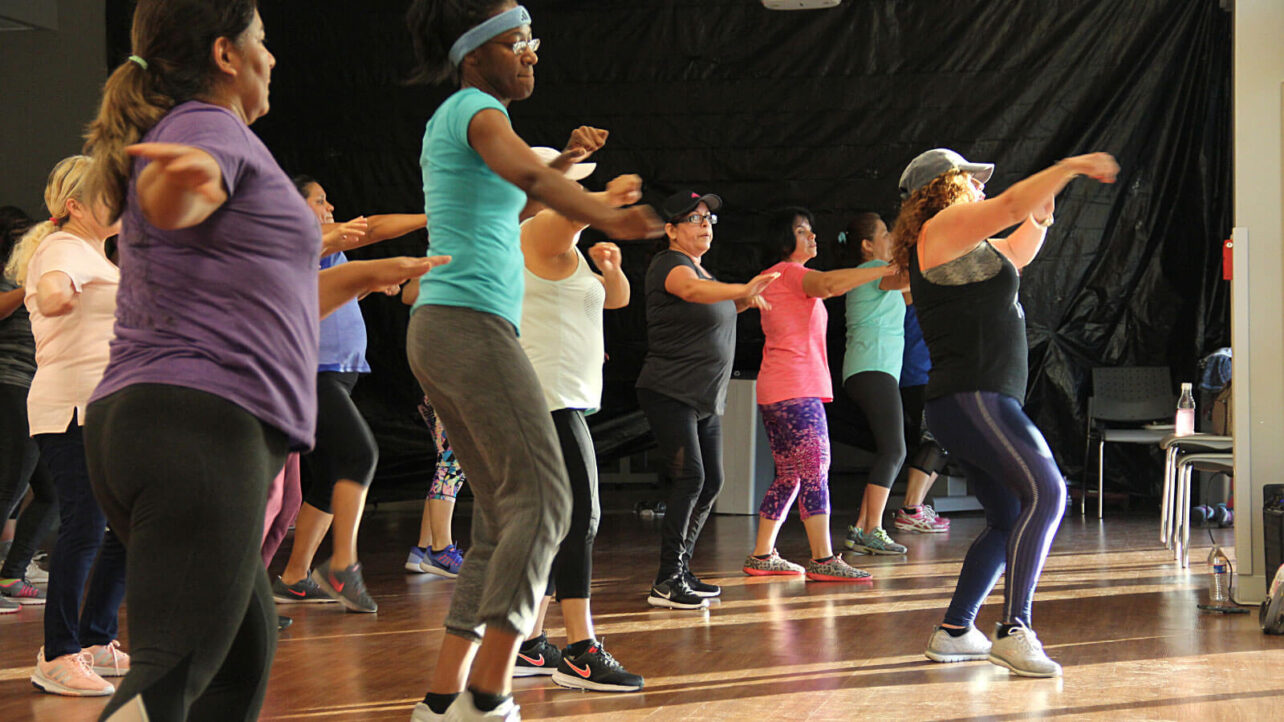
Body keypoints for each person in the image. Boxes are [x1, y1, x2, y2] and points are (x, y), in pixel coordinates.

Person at [81, 2, 446, 718]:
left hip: (157, 423)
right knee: (170, 677)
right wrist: (176, 186)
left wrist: (370, 274)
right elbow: (184, 186)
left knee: (238, 665)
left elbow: (268, 298)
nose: (272, 58)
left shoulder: (213, 135)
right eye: (263, 41)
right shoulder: (205, 132)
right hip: (198, 429)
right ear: (226, 54)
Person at [404, 3, 660, 719]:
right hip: (467, 329)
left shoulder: (463, 118)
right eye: (520, 43)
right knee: (550, 503)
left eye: (532, 42)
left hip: (452, 329)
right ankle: (489, 696)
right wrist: (605, 212)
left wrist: (572, 167)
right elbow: (530, 177)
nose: (532, 55)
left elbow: (512, 200)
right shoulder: (478, 108)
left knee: (501, 519)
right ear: (476, 52)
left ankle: (442, 699)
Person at [896, 148, 1118, 678]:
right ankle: (1014, 629)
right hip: (975, 398)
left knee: (1009, 517)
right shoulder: (942, 228)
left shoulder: (960, 245)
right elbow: (1010, 203)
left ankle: (955, 632)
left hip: (972, 403)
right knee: (1049, 493)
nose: (978, 187)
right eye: (970, 180)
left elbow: (1014, 252)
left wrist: (1040, 215)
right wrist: (1068, 167)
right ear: (945, 187)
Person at [512, 154, 644, 691]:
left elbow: (615, 302)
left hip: (561, 399)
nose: (575, 193)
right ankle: (581, 650)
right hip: (547, 400)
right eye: (568, 185)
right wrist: (611, 201)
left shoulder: (560, 243)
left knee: (556, 525)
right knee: (580, 517)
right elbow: (576, 214)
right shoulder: (539, 230)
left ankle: (531, 645)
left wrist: (611, 270)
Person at [271, 176, 428, 613]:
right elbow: (373, 228)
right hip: (309, 374)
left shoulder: (328, 246)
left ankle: (295, 576)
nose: (330, 205)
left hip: (338, 374)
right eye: (320, 200)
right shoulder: (292, 241)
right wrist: (435, 217)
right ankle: (343, 564)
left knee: (326, 479)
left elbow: (326, 292)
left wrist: (365, 285)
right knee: (360, 454)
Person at [6, 156, 129, 697]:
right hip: (70, 409)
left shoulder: (98, 256)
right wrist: (55, 294)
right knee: (85, 525)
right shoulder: (61, 249)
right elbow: (53, 286)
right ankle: (57, 653)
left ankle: (96, 640)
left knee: (122, 528)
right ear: (75, 205)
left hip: (106, 409)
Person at [637, 190, 778, 610]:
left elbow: (712, 305)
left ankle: (679, 569)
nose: (705, 224)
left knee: (712, 481)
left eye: (708, 219)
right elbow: (692, 293)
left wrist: (742, 300)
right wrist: (744, 287)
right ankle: (666, 581)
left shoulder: (707, 275)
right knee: (692, 478)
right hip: (669, 390)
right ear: (671, 230)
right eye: (694, 218)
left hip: (702, 396)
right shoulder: (671, 265)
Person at [743, 207, 892, 581]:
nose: (812, 237)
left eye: (811, 230)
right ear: (784, 240)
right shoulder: (792, 273)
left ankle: (762, 554)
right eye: (802, 231)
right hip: (796, 390)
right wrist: (884, 268)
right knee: (815, 470)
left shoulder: (770, 277)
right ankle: (823, 559)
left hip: (776, 389)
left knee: (790, 475)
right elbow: (827, 285)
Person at [835, 211, 911, 556]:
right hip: (872, 369)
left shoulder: (884, 277)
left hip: (873, 370)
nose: (892, 236)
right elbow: (911, 278)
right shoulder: (870, 271)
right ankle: (872, 529)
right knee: (895, 450)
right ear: (867, 246)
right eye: (885, 233)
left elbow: (912, 292)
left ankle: (862, 527)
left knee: (888, 450)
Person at [0, 205, 56, 615]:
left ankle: (11, 573)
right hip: (11, 385)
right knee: (9, 488)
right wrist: (28, 287)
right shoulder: (11, 276)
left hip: (41, 392)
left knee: (52, 492)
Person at [892, 293, 952, 533]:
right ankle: (911, 509)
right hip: (921, 373)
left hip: (930, 372)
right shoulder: (912, 288)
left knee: (943, 439)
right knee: (935, 437)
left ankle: (914, 508)